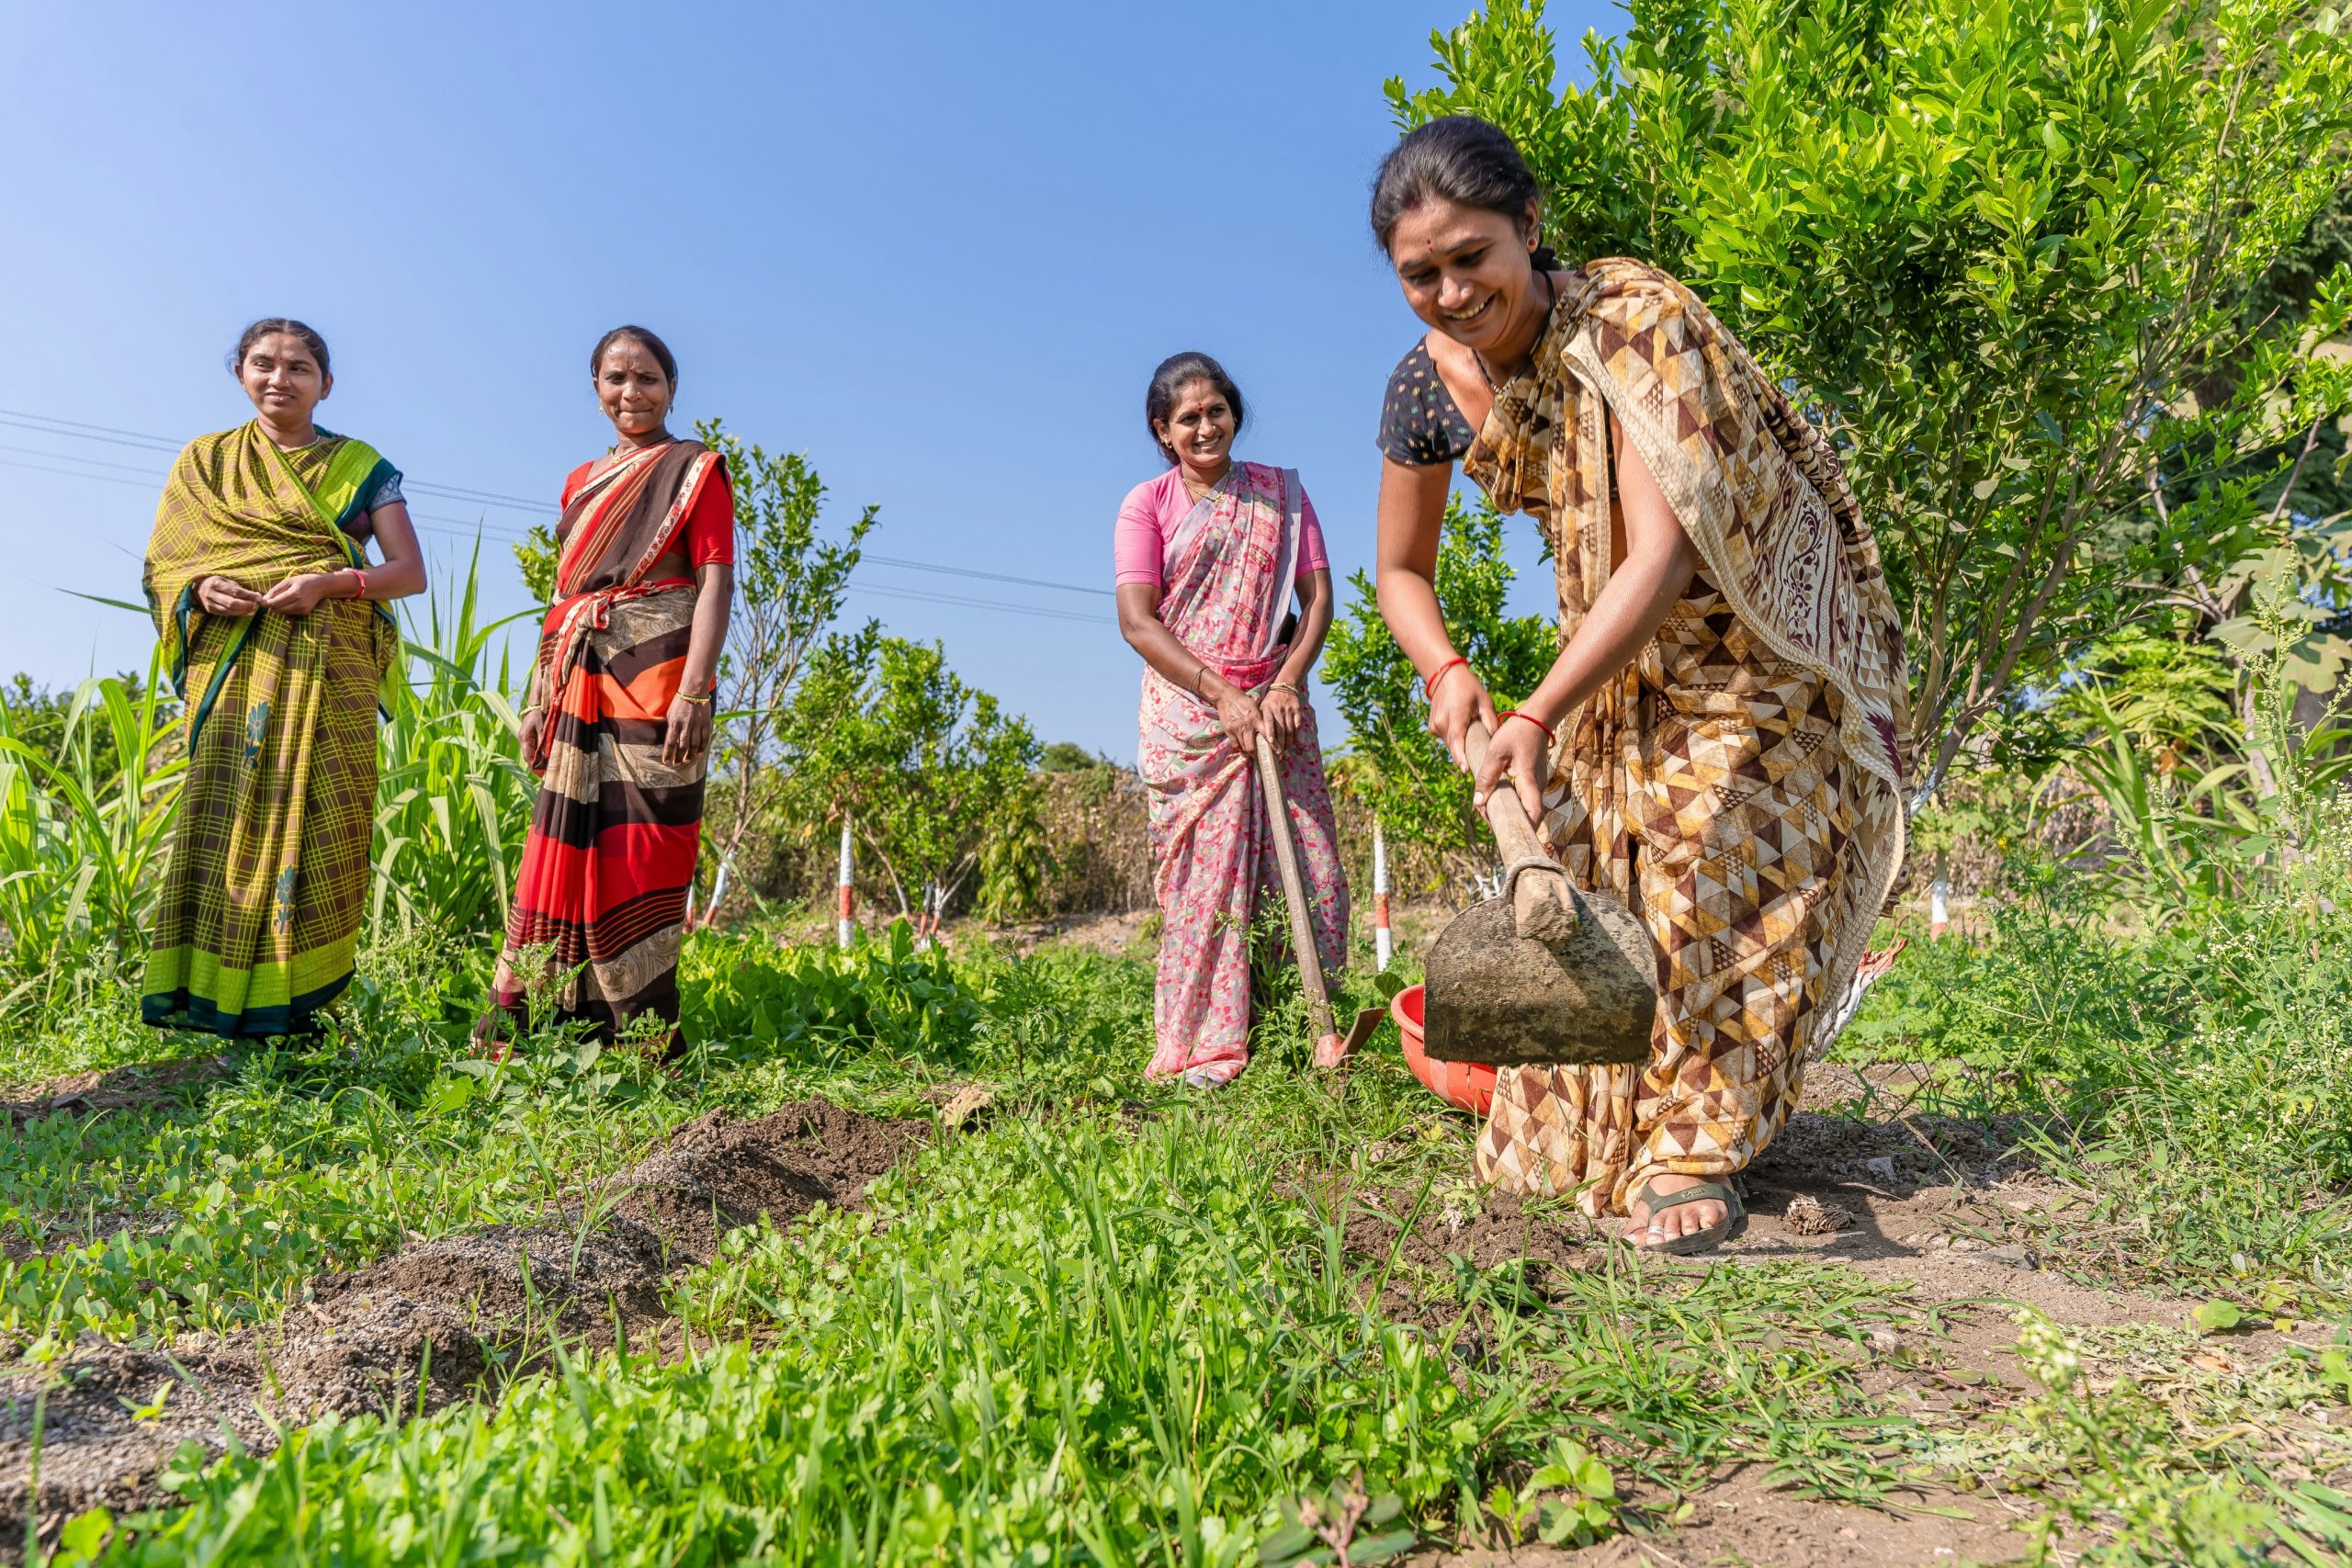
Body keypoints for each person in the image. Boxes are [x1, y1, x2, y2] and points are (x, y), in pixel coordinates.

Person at [1370, 118, 1908, 1252]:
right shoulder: (1423, 388)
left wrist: (1531, 713)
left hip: (1747, 643)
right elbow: (1399, 569)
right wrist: (1450, 672)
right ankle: (1598, 1131)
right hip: (1612, 654)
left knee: (1714, 867)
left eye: (1473, 257)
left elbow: (1659, 556)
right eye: (1421, 274)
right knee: (1580, 876)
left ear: (1529, 227)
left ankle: (1692, 1150)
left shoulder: (1631, 328)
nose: (1453, 292)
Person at [140, 319, 427, 1036]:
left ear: (325, 385)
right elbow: (164, 568)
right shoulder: (204, 463)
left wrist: (330, 584)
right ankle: (212, 998)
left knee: (325, 821)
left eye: (299, 368)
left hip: (331, 672)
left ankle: (299, 1008)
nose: (280, 378)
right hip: (238, 673)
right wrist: (203, 588)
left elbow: (408, 573)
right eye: (264, 363)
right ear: (239, 370)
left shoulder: (361, 465)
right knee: (225, 817)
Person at [480, 325, 733, 1054]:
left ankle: (644, 1031)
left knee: (647, 842)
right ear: (595, 391)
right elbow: (561, 597)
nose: (633, 392)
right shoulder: (579, 482)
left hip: (657, 679)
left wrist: (696, 690)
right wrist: (537, 698)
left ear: (673, 388)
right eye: (616, 379)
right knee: (566, 844)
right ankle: (553, 1028)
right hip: (575, 675)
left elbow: (715, 580)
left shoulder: (697, 470)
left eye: (648, 378)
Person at [1115, 352, 1349, 1088]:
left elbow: (1317, 602)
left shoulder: (1281, 496)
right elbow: (1137, 621)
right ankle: (1206, 1047)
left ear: (1234, 413)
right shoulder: (1145, 505)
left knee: (1311, 871)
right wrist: (1222, 695)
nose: (1206, 425)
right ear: (1164, 431)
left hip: (1276, 708)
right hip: (1191, 715)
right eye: (1189, 417)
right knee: (1202, 885)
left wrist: (1283, 683)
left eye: (1216, 410)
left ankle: (1305, 1022)